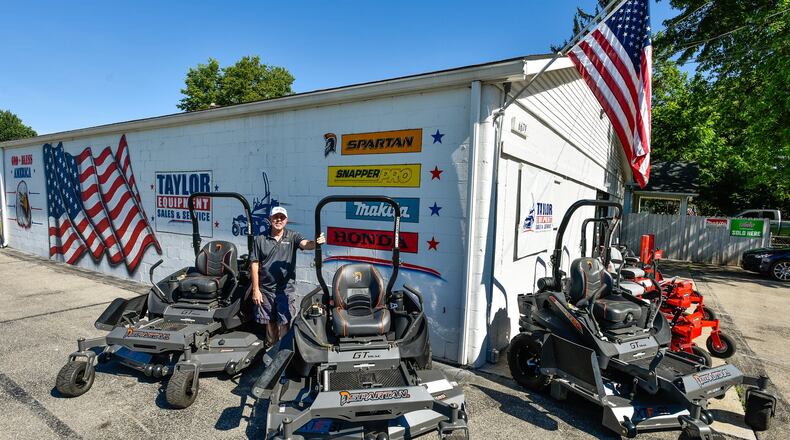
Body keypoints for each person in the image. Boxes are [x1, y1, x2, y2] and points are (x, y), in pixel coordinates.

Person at [251, 206, 325, 345]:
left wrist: (316, 242)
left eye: (282, 217)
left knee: (285, 321)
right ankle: (272, 346)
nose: (278, 220)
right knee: (270, 321)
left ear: (286, 220)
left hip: (285, 289)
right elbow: (254, 264)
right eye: (275, 217)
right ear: (269, 219)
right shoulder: (260, 239)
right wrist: (256, 289)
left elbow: (306, 244)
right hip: (265, 289)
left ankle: (283, 350)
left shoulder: (292, 236)